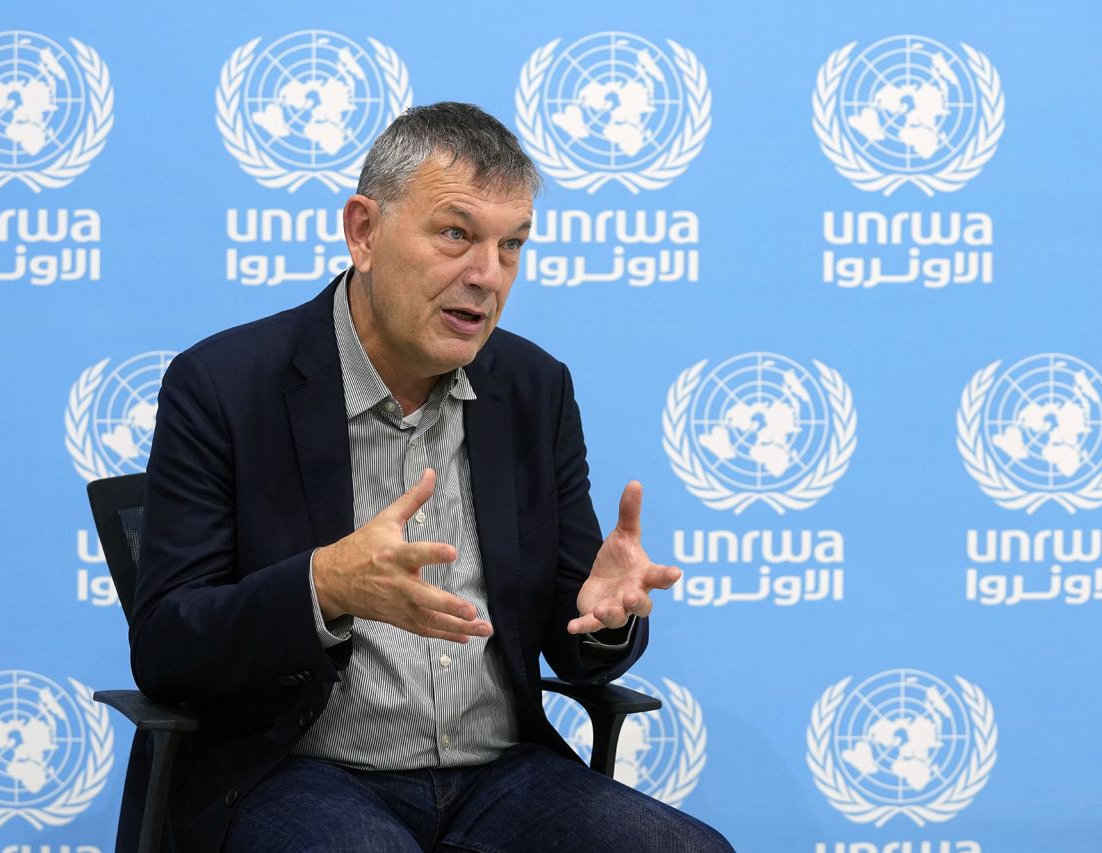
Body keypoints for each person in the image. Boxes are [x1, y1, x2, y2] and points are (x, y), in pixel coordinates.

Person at [130, 101, 733, 852]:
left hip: (500, 775)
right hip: (299, 771)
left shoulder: (533, 388)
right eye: (456, 234)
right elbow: (164, 645)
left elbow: (572, 637)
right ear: (364, 232)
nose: (488, 275)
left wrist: (605, 621)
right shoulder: (225, 384)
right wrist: (325, 586)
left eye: (511, 246)